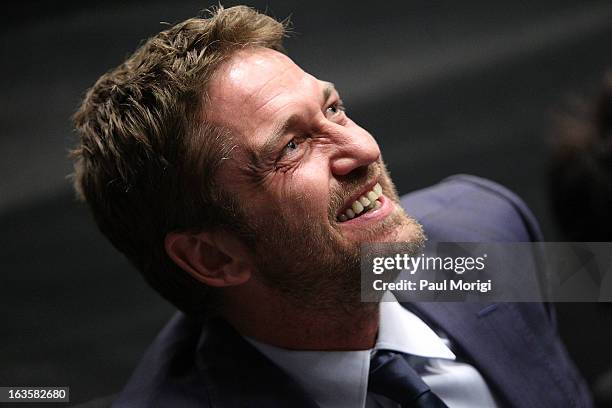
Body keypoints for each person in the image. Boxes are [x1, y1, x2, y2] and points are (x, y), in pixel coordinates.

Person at [71, 5, 592, 407]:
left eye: (334, 109)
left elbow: (593, 281)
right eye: (291, 147)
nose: (364, 149)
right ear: (214, 258)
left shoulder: (481, 227)